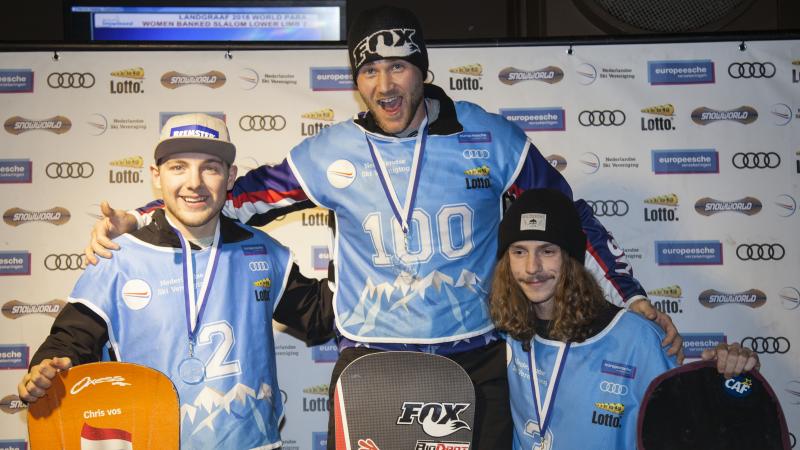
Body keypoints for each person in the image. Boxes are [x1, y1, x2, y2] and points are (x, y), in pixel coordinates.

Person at [84, 7, 682, 449]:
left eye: (398, 67)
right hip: (372, 358)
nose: (385, 85)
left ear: (420, 71)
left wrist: (634, 296)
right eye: (370, 71)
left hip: (473, 355)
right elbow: (233, 195)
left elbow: (568, 214)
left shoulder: (487, 136)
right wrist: (139, 216)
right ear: (357, 80)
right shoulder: (330, 151)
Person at [18, 113, 333, 449]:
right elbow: (70, 341)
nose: (194, 182)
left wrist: (360, 245)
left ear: (230, 178)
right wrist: (47, 368)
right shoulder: (119, 257)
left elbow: (318, 317)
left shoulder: (262, 251)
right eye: (178, 166)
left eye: (210, 167)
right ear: (157, 176)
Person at [490, 188, 759, 449]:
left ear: (571, 259)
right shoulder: (508, 332)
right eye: (519, 251)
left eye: (548, 251)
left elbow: (691, 425)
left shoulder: (636, 337)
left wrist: (728, 379)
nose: (532, 267)